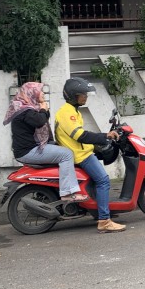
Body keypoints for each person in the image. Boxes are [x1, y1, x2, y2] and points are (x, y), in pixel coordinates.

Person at [54, 77, 126, 233]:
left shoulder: (73, 111)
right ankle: (104, 221)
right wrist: (105, 136)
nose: (85, 97)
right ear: (73, 96)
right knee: (103, 181)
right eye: (83, 94)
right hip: (80, 155)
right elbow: (80, 136)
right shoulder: (67, 113)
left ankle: (99, 210)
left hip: (82, 151)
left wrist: (96, 146)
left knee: (96, 181)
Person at [5, 81, 86, 203]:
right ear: (32, 93)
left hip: (32, 148)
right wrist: (44, 109)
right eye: (40, 91)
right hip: (28, 151)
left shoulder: (27, 107)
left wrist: (43, 109)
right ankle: (67, 193)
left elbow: (41, 120)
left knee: (62, 149)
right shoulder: (24, 110)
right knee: (66, 154)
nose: (43, 93)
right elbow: (39, 121)